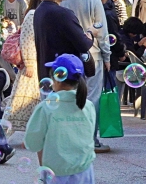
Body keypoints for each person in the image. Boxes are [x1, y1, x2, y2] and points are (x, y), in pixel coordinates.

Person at [61, 0, 111, 153]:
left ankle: (70, 138)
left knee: (68, 96)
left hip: (67, 56)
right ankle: (91, 139)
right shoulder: (93, 0)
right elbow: (102, 32)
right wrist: (107, 57)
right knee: (92, 98)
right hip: (92, 55)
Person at [24, 54, 96, 183]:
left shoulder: (45, 107)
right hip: (84, 171)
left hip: (55, 172)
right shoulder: (88, 105)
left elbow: (32, 143)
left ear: (57, 79)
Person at [33, 0, 94, 80]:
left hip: (48, 75)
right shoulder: (62, 13)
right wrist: (91, 35)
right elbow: (83, 44)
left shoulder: (39, 11)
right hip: (67, 79)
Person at [2, 0, 42, 133]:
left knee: (30, 99)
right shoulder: (32, 14)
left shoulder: (37, 14)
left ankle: (30, 130)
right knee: (21, 100)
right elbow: (27, 40)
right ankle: (5, 133)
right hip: (32, 64)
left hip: (37, 63)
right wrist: (30, 63)